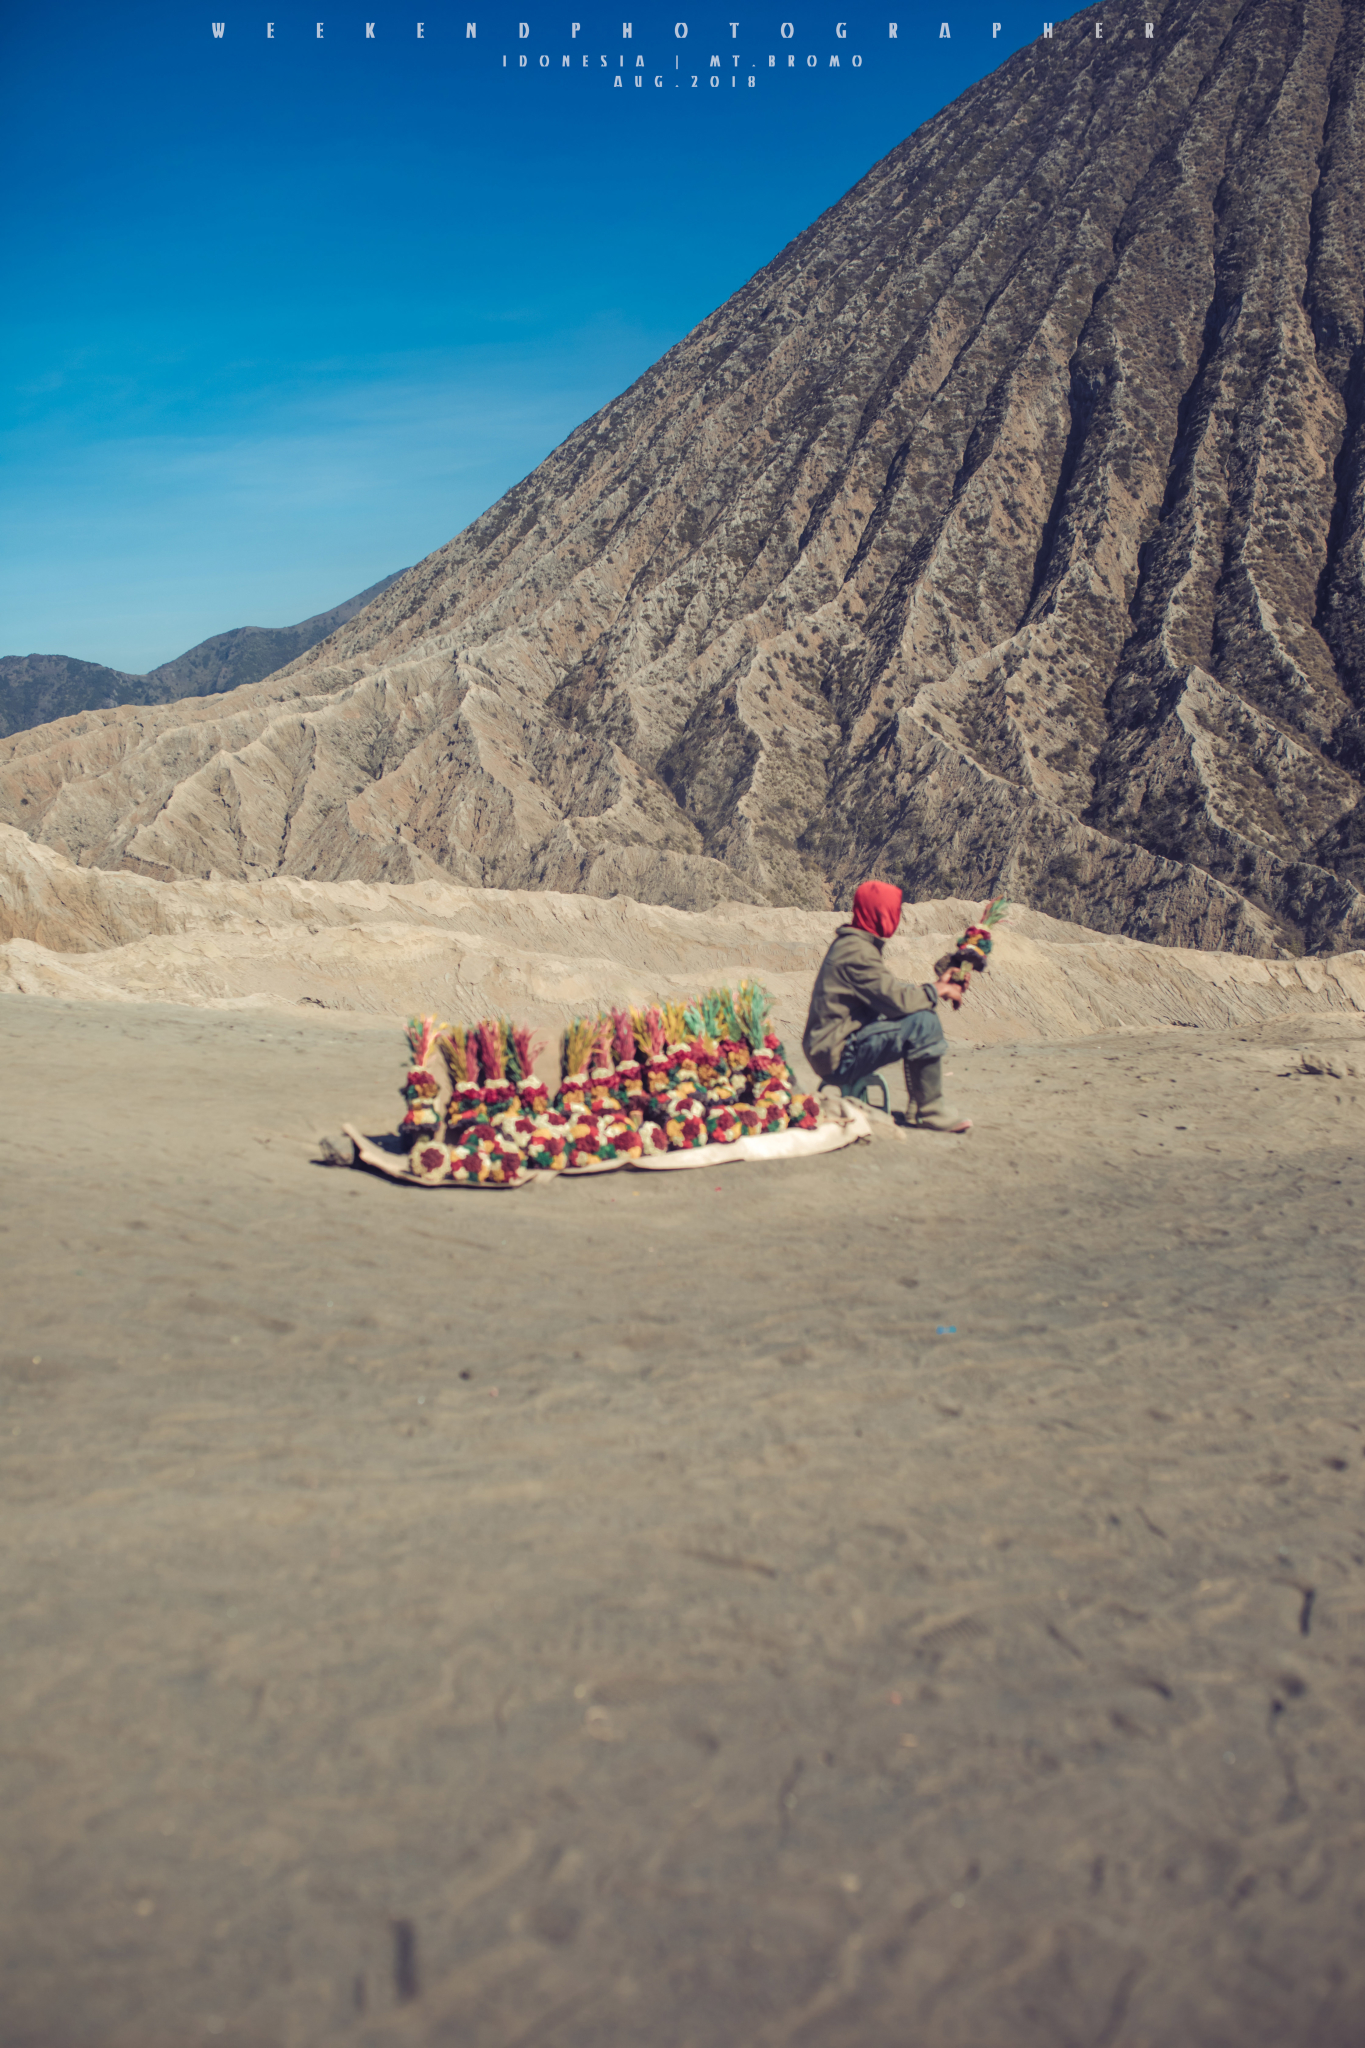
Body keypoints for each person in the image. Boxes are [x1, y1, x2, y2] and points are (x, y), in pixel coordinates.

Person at [801, 879, 971, 1133]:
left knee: (920, 1013)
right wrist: (937, 990)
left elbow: (887, 992)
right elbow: (897, 1002)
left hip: (832, 1049)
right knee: (924, 1023)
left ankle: (920, 1107)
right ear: (882, 914)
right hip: (837, 1057)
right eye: (894, 912)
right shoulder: (857, 951)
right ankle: (930, 1111)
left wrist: (937, 986)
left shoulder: (854, 945)